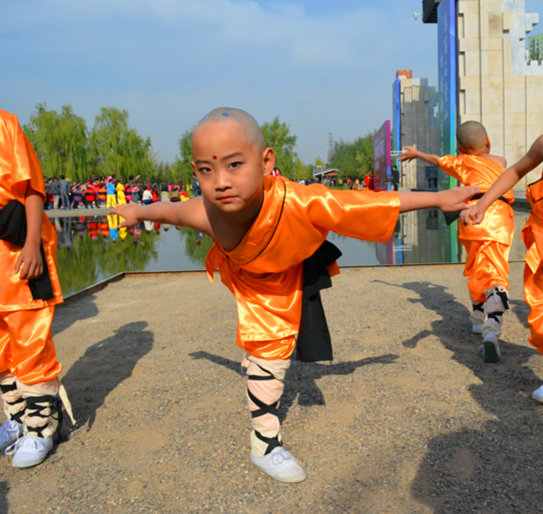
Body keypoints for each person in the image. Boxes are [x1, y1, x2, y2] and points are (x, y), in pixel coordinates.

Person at [111, 107, 478, 484]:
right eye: (206, 170)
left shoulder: (301, 201)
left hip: (293, 260)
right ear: (195, 172)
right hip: (253, 279)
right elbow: (167, 211)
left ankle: (263, 396)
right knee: (270, 353)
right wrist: (137, 212)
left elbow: (364, 203)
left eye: (234, 164)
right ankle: (264, 443)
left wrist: (438, 199)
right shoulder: (204, 212)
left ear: (266, 160)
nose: (220, 181)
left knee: (273, 350)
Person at [400, 121, 515, 363]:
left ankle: (477, 317)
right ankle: (492, 328)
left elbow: (437, 160)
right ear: (488, 142)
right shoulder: (501, 161)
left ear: (460, 149)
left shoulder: (460, 162)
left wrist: (416, 153)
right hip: (498, 217)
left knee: (475, 266)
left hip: (470, 216)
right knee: (495, 271)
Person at [0, 109, 74, 468]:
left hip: (16, 244)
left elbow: (32, 189)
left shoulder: (5, 124)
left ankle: (42, 423)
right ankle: (15, 416)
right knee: (1, 344)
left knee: (29, 336)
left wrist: (32, 244)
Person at [461, 134, 543, 399]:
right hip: (526, 231)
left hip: (490, 229)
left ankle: (483, 320)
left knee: (480, 275)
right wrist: (484, 204)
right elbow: (516, 170)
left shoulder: (460, 161)